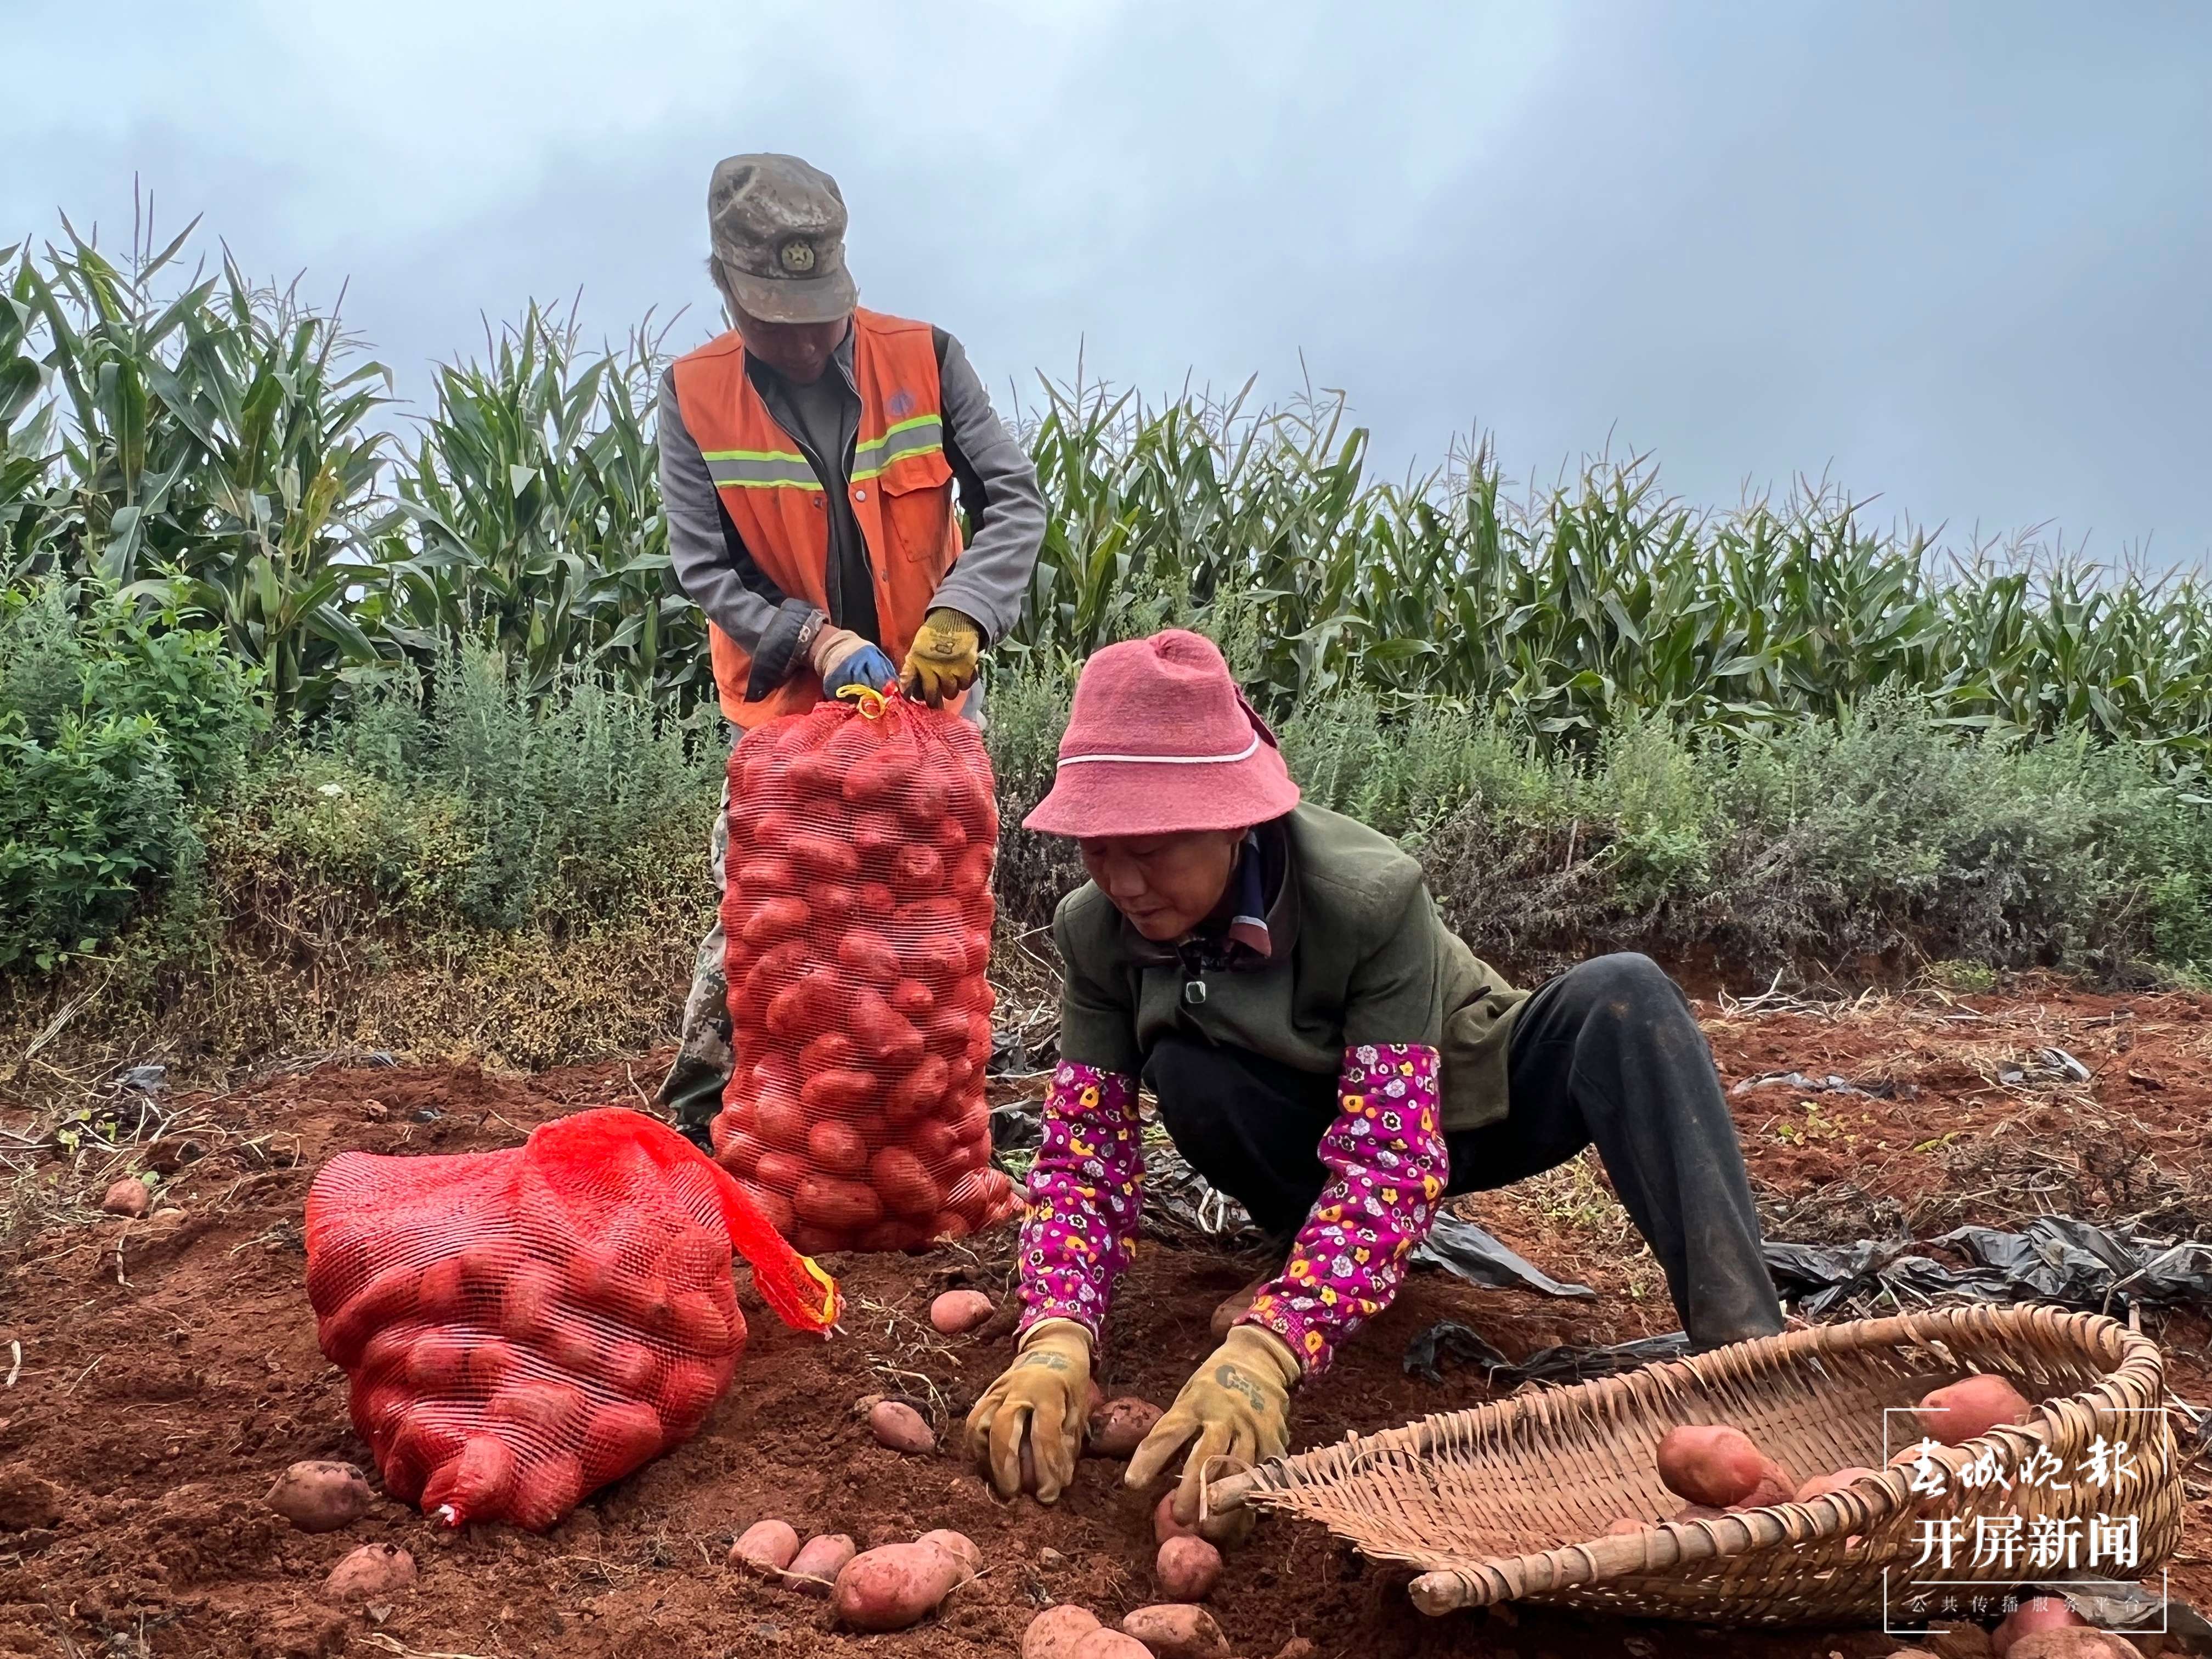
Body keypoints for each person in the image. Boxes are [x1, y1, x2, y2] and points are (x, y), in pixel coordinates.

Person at [964, 629, 1785, 1522]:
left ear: (1235, 820)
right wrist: (1055, 1332)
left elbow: (1392, 1157)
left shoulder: (1368, 896)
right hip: (1297, 1123)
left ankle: (1746, 1349)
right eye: (1098, 846)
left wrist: (1274, 1347)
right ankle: (1306, 1256)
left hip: (1461, 1105)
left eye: (1153, 847)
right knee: (1192, 1070)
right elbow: (1083, 1155)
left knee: (1625, 997)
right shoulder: (1095, 930)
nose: (1122, 880)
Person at [654, 153, 1046, 1136]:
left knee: (936, 907)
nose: (802, 340)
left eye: (819, 316)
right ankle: (707, 1114)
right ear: (725, 287)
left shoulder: (926, 357)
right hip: (789, 710)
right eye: (774, 321)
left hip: (930, 698)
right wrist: (817, 641)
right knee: (769, 910)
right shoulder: (693, 394)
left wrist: (964, 613)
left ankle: (933, 1115)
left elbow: (1014, 502)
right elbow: (705, 568)